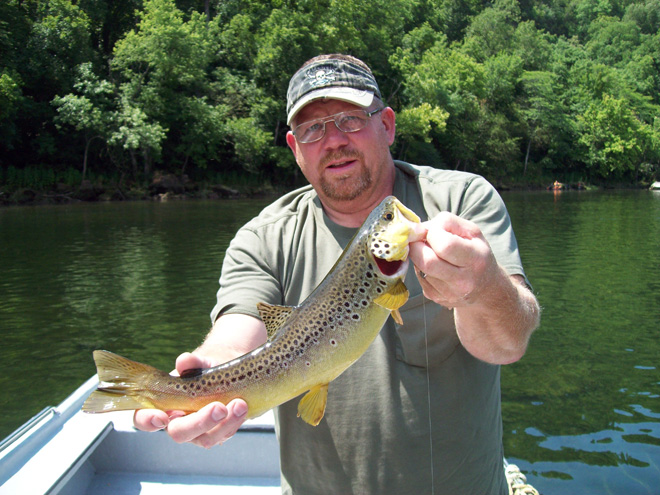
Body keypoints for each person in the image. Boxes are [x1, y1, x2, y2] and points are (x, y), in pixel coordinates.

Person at [134, 54, 540, 494]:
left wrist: (481, 289)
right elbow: (236, 334)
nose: (332, 141)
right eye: (312, 129)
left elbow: (509, 341)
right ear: (295, 148)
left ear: (386, 125)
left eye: (349, 119)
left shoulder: (462, 199)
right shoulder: (264, 238)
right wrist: (203, 372)